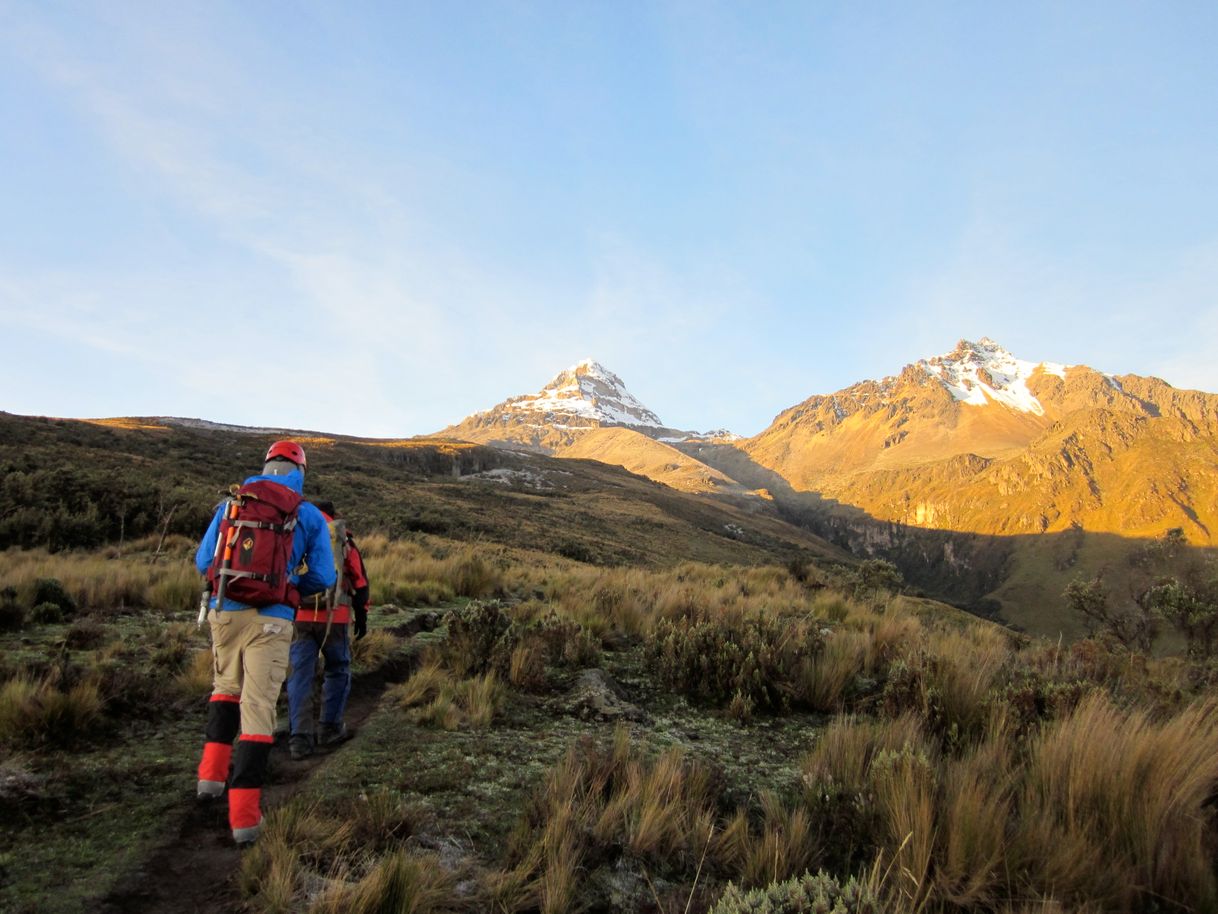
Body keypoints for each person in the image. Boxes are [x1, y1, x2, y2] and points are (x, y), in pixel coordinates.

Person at [193, 440, 335, 845]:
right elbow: (324, 576)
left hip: (225, 610)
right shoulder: (306, 513)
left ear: (266, 466)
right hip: (272, 620)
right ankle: (245, 819)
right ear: (300, 472)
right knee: (258, 707)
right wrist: (289, 586)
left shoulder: (233, 505)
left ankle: (210, 780)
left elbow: (205, 563)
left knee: (224, 690)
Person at [285, 501, 371, 760]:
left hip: (300, 617)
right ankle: (329, 728)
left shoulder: (297, 532)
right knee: (337, 668)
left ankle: (299, 738)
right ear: (333, 516)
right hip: (335, 618)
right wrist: (362, 614)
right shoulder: (343, 539)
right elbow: (361, 582)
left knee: (300, 674)